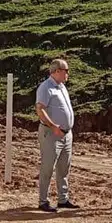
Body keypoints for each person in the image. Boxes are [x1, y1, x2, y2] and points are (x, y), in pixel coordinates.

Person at [35, 58, 77, 212]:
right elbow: (40, 109)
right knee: (48, 167)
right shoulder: (46, 88)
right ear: (57, 71)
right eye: (66, 70)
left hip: (66, 134)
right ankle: (43, 201)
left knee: (64, 167)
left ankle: (63, 199)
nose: (68, 74)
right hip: (51, 133)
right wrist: (53, 126)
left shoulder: (61, 87)